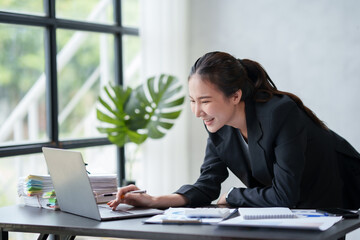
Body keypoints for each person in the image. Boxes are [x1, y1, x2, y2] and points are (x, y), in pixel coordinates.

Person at [108, 51, 360, 210]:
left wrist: (234, 195)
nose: (197, 112)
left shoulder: (279, 113)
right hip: (293, 211)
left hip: (331, 196)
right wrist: (154, 200)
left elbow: (284, 195)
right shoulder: (219, 126)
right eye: (192, 101)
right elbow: (207, 185)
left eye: (205, 101)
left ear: (235, 96)